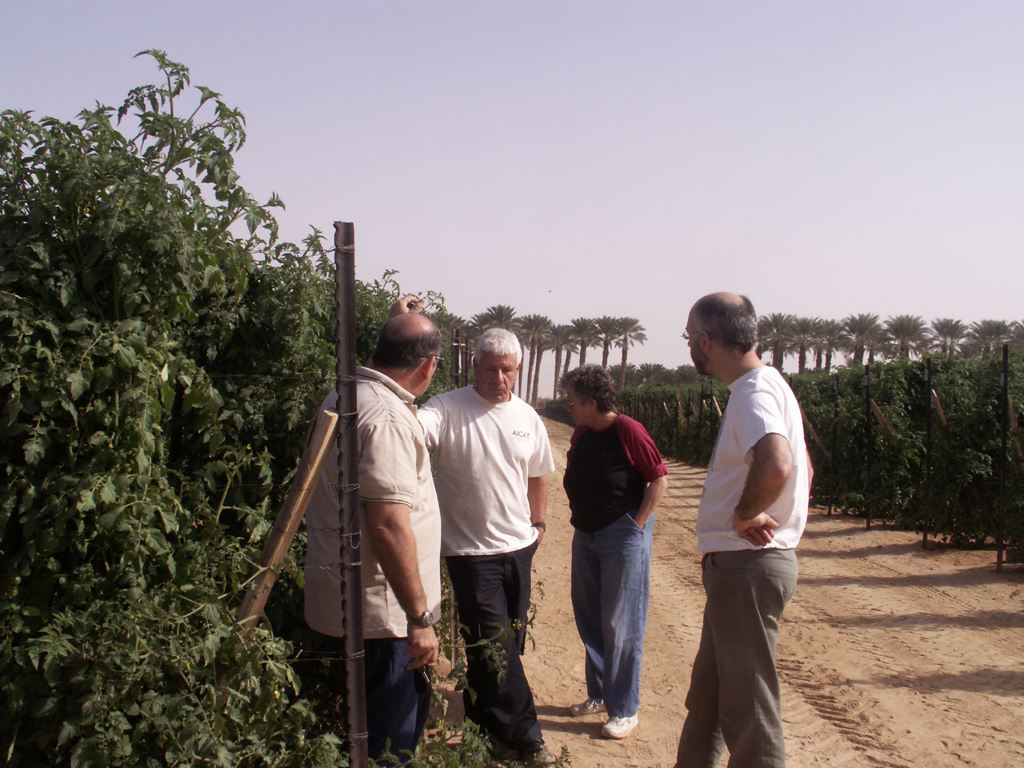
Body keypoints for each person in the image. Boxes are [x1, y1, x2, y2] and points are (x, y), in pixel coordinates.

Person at [675, 293, 813, 768]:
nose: (689, 346)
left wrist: (742, 515)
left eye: (689, 337)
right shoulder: (767, 385)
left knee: (750, 710)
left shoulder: (754, 392)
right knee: (709, 700)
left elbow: (778, 463)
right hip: (740, 568)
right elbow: (796, 468)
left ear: (705, 340)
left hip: (747, 566)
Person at [304, 312, 444, 765]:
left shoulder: (346, 393)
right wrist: (419, 619)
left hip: (346, 602)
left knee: (361, 736)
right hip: (387, 617)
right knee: (391, 743)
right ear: (428, 366)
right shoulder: (387, 418)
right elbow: (386, 523)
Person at [418, 327, 557, 767]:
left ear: (518, 370)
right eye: (492, 368)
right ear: (474, 365)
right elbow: (412, 430)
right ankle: (527, 737)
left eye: (508, 370)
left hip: (519, 547)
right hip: (470, 552)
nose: (500, 377)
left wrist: (537, 525)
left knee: (500, 646)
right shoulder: (446, 408)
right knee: (494, 643)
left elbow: (539, 474)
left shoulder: (527, 417)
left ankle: (482, 727)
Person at [560, 365, 668, 740]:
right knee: (590, 616)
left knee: (621, 624)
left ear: (592, 401)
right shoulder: (581, 432)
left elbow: (658, 478)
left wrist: (637, 524)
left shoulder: (628, 431)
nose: (567, 405)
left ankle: (625, 709)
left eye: (572, 400)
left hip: (620, 534)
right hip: (585, 533)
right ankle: (600, 695)